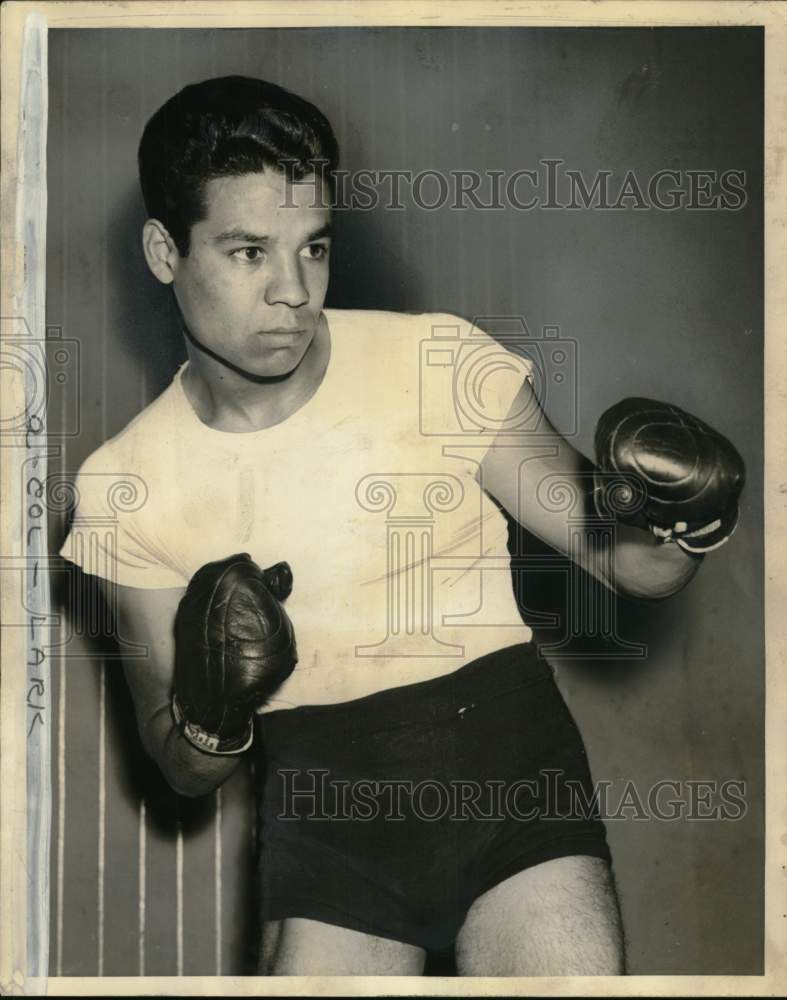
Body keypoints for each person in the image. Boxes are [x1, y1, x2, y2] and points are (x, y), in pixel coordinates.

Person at [59, 75, 745, 977]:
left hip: (511, 776)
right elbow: (178, 764)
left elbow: (632, 571)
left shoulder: (436, 361)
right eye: (247, 252)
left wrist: (681, 520)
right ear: (163, 250)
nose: (291, 291)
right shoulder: (125, 483)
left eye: (313, 247)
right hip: (324, 816)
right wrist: (213, 708)